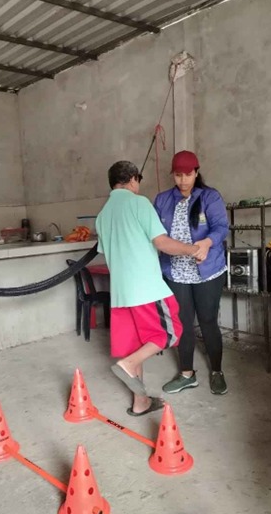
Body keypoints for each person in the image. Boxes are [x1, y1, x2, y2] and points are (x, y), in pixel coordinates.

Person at [96, 160, 204, 416]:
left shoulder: (102, 215)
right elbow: (162, 242)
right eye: (138, 180)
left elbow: (107, 252)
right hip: (146, 289)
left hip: (120, 294)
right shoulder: (139, 203)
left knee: (135, 344)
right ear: (133, 179)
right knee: (171, 331)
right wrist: (193, 249)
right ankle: (129, 364)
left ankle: (140, 402)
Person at [154, 150, 229, 395]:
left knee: (207, 320)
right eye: (178, 175)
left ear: (196, 172)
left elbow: (221, 227)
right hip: (176, 272)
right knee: (183, 322)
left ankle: (216, 371)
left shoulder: (209, 197)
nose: (183, 180)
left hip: (207, 270)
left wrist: (206, 243)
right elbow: (155, 233)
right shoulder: (163, 200)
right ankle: (187, 374)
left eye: (188, 174)